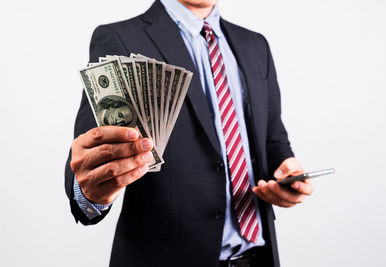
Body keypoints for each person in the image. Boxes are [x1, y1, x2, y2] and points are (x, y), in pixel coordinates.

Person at [64, 0, 314, 266]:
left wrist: (288, 174)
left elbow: (273, 139)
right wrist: (90, 194)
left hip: (257, 258)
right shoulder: (122, 39)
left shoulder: (255, 45)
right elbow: (91, 153)